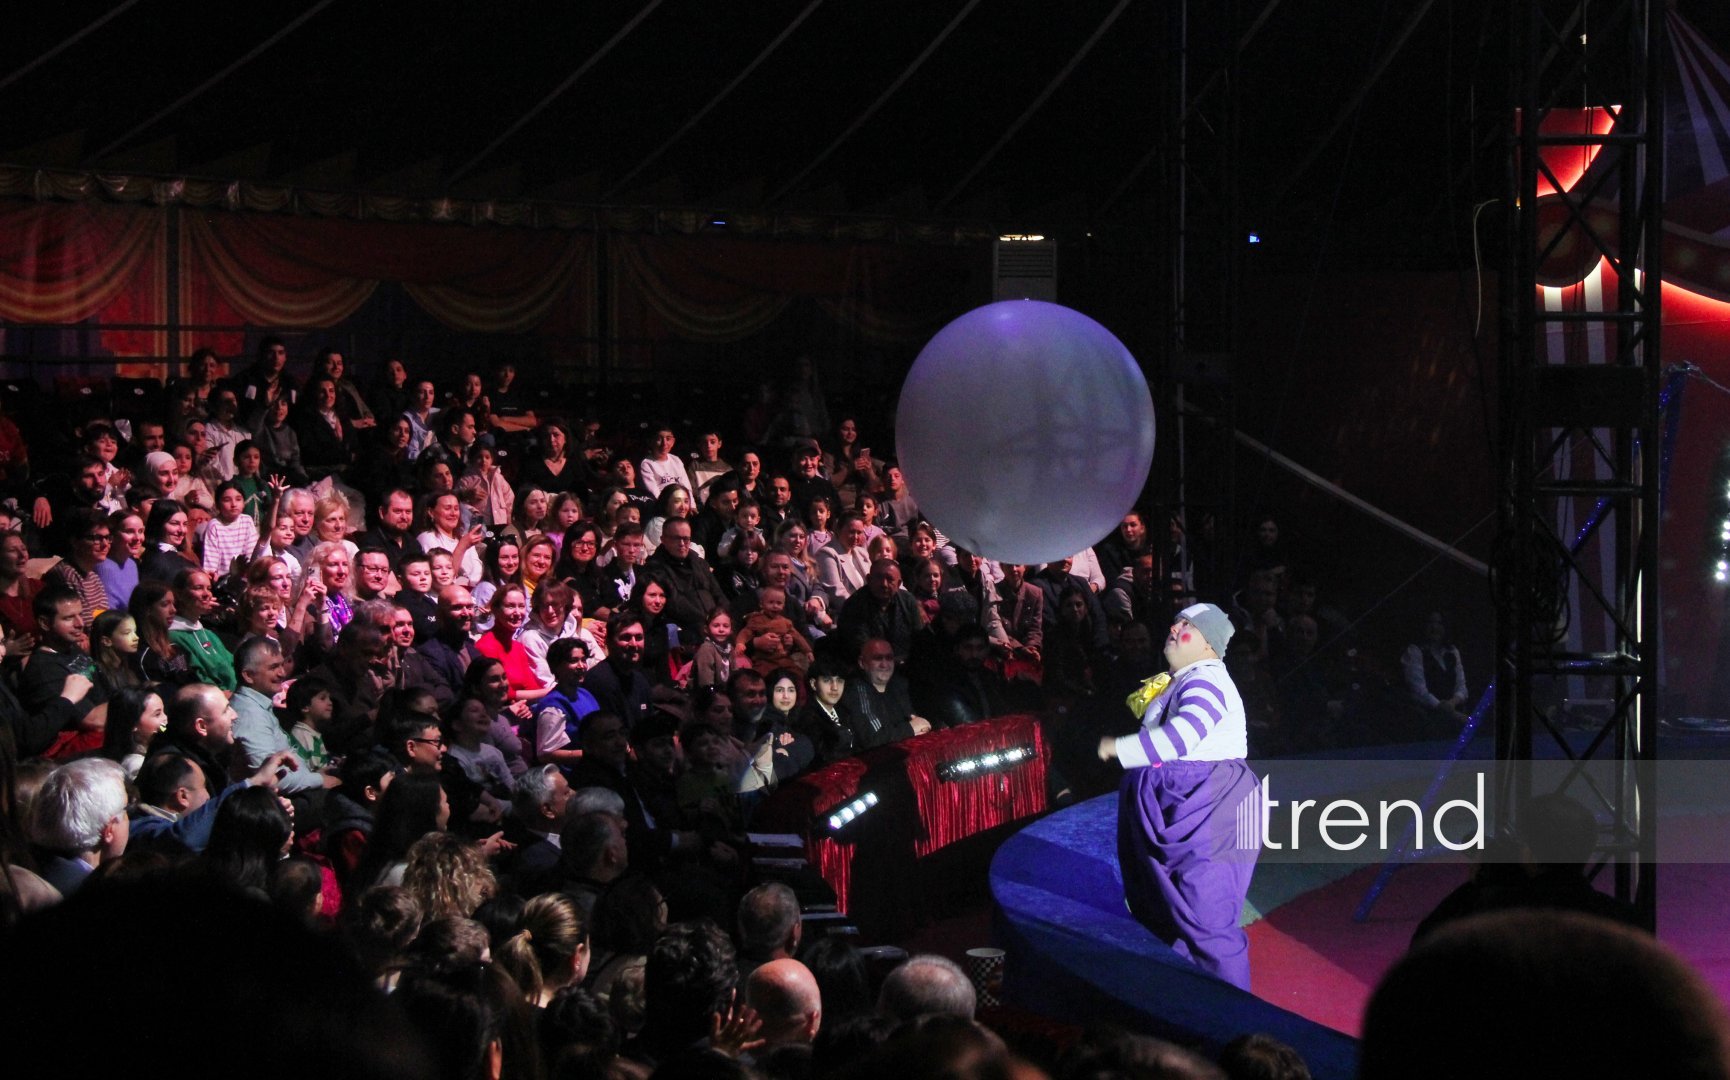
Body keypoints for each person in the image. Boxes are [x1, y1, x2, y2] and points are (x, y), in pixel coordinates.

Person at [1096, 602, 1258, 990]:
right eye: (1174, 622)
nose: (1173, 628)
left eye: (1186, 626)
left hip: (1210, 806)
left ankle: (1232, 1019)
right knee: (1168, 914)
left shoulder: (1207, 680)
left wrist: (1120, 749)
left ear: (1208, 644)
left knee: (1205, 917)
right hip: (1181, 803)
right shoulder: (1180, 678)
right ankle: (1181, 1000)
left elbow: (1185, 735)